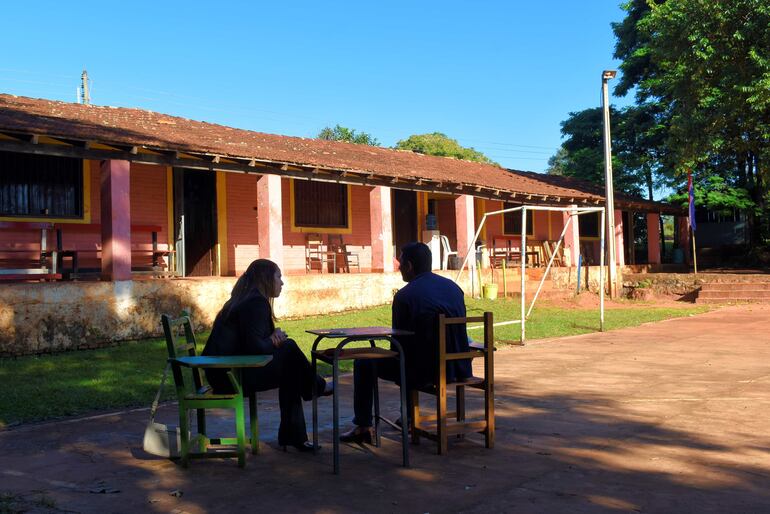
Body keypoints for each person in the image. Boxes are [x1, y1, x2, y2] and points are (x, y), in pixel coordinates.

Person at [340, 242, 472, 443]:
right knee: (413, 354)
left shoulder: (405, 296)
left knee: (368, 362)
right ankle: (409, 417)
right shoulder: (454, 288)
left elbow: (398, 345)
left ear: (409, 266)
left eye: (400, 262)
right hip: (457, 366)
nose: (398, 266)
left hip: (424, 371)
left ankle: (364, 425)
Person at [202, 259, 332, 452]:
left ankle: (296, 434)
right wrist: (274, 340)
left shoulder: (246, 298)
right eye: (278, 277)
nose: (282, 282)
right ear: (266, 278)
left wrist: (272, 337)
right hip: (231, 377)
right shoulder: (255, 303)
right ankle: (315, 387)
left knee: (290, 367)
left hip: (224, 372)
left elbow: (250, 342)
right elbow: (256, 348)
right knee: (289, 350)